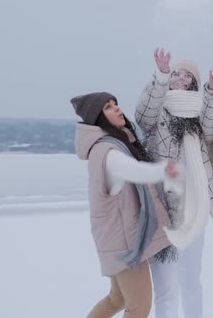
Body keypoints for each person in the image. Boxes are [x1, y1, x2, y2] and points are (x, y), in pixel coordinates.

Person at [135, 48, 213, 318]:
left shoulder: (199, 114)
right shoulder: (158, 111)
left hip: (193, 207)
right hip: (161, 207)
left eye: (184, 75)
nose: (178, 77)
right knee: (166, 285)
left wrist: (212, 90)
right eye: (174, 73)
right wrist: (161, 76)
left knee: (190, 279)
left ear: (193, 83)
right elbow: (143, 115)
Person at [71, 91, 178, 318]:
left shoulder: (116, 143)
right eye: (108, 107)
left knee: (117, 298)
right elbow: (130, 169)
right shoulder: (107, 151)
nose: (117, 108)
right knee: (139, 307)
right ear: (98, 118)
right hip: (123, 243)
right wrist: (162, 171)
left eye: (115, 103)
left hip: (114, 237)